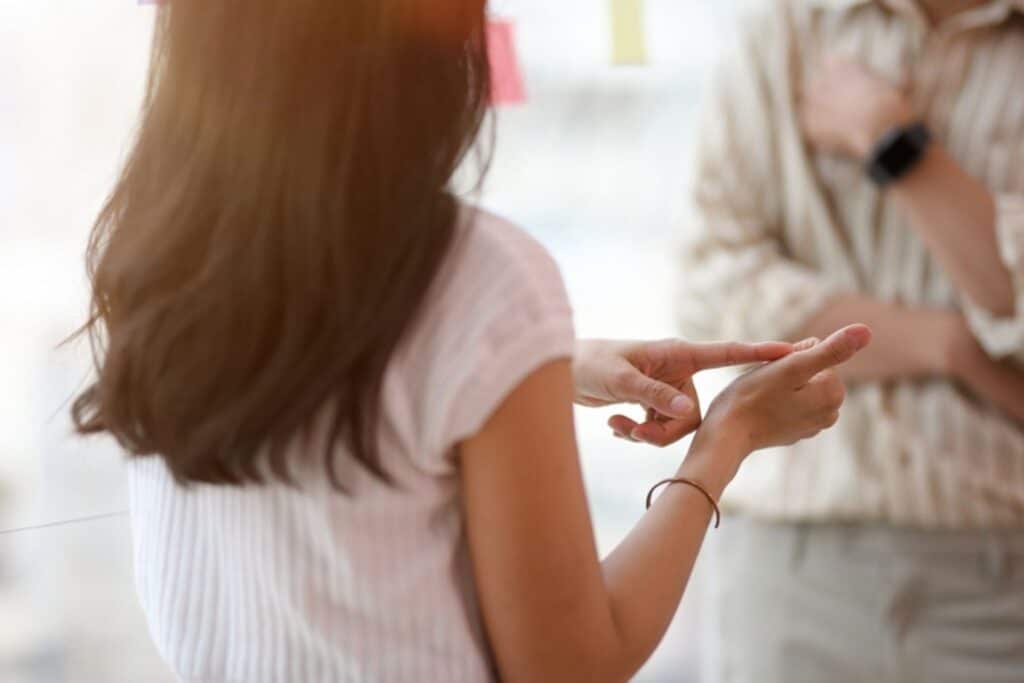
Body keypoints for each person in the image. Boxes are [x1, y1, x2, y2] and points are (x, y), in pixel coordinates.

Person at [67, 1, 871, 681]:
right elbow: (571, 665)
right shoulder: (482, 280)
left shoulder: (152, 254)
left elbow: (317, 406)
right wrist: (726, 440)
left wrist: (540, 370)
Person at [679, 0, 1024, 681]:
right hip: (794, 564)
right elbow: (712, 294)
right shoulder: (784, 30)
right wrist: (952, 344)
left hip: (1001, 573)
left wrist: (892, 142)